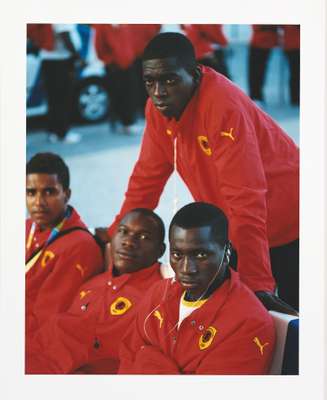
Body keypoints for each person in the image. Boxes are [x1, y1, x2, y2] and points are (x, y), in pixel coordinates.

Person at [102, 32, 299, 313]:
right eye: (150, 82)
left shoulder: (222, 106)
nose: (159, 92)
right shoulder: (158, 109)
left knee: (296, 327)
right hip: (238, 229)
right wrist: (114, 237)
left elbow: (247, 199)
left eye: (170, 80)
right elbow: (145, 181)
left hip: (291, 218)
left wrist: (257, 284)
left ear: (194, 74)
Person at [118, 202, 276, 375]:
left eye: (200, 255)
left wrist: (147, 357)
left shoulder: (249, 322)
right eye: (177, 254)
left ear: (227, 252)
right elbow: (127, 363)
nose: (186, 269)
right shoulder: (157, 294)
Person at [26, 208, 166, 374]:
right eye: (123, 231)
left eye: (144, 237)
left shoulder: (159, 297)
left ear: (160, 250)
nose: (128, 241)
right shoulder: (92, 284)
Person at [26, 152, 104, 339]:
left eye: (49, 192)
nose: (38, 202)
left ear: (66, 194)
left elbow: (49, 319)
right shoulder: (28, 227)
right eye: (31, 192)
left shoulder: (79, 247)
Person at [28, 24, 85, 143]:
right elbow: (65, 34)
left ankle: (53, 132)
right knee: (63, 99)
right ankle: (62, 133)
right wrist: (77, 57)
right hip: (60, 61)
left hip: (48, 59)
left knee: (53, 99)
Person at [248, 25, 280, 106]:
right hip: (261, 42)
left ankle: (256, 96)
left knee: (258, 71)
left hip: (264, 42)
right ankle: (256, 96)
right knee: (257, 71)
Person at [281, 25, 300, 106]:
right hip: (292, 46)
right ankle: (295, 98)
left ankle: (295, 98)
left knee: (295, 73)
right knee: (295, 73)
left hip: (291, 45)